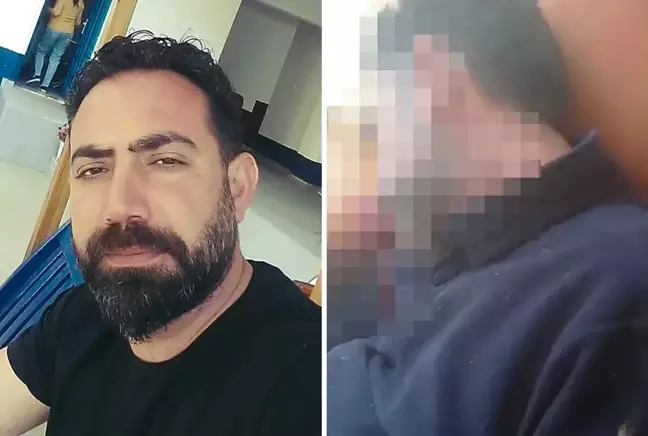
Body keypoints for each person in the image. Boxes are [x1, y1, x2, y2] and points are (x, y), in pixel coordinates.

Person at [327, 0, 648, 434]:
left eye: (375, 123)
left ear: (431, 76)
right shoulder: (457, 256)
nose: (377, 166)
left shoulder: (614, 293)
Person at [0, 31, 321, 436]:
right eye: (94, 169)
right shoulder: (86, 315)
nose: (119, 206)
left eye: (166, 161)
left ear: (237, 187)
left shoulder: (318, 391)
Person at [25, 0, 85, 92]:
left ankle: (37, 75)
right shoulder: (81, 3)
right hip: (68, 33)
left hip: (54, 28)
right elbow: (77, 22)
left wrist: (47, 8)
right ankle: (45, 85)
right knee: (56, 58)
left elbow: (56, 12)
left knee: (41, 50)